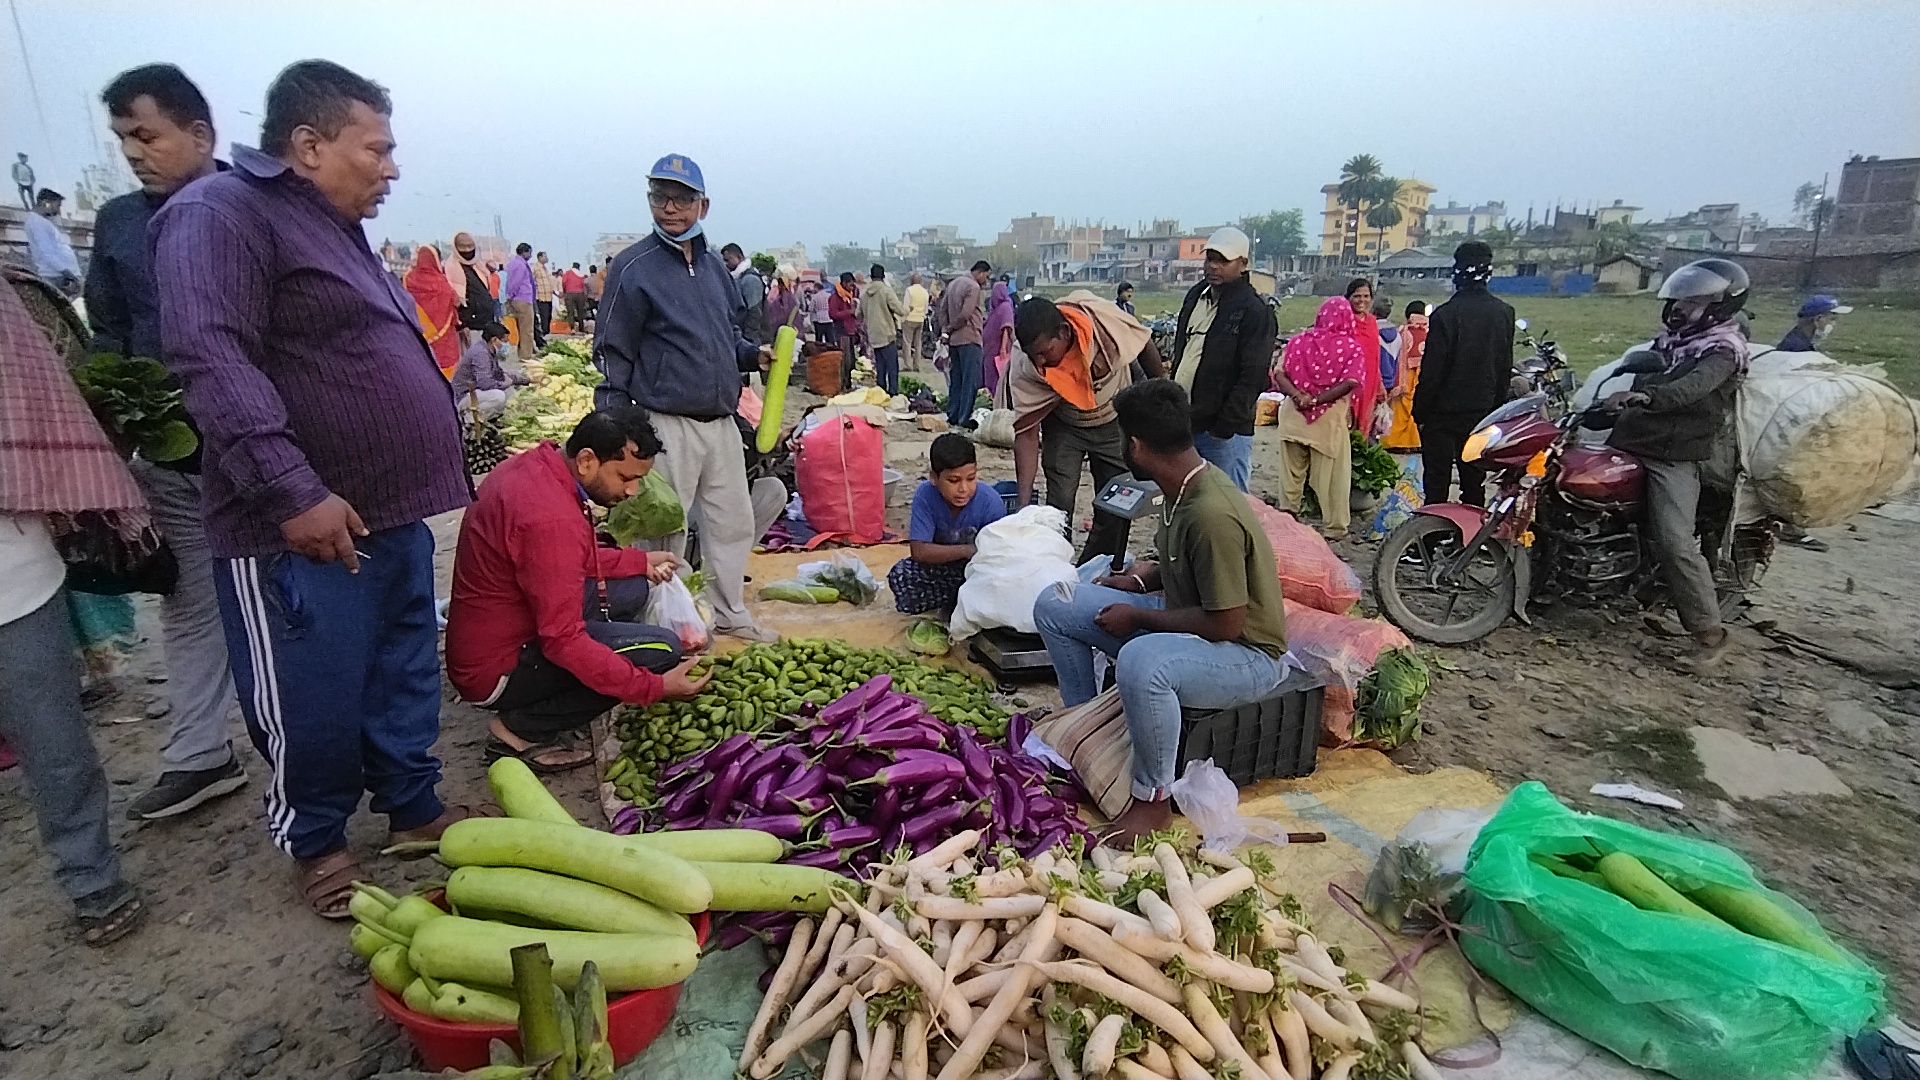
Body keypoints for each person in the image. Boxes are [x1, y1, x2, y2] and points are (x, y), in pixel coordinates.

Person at [151, 59, 474, 917]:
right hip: (296, 523)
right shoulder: (220, 214)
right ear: (307, 143)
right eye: (378, 150)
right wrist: (292, 490)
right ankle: (318, 839)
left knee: (404, 669)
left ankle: (412, 808)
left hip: (389, 512)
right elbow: (212, 357)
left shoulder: (330, 225)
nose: (392, 169)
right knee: (313, 689)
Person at [86, 63, 250, 822]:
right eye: (124, 139)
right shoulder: (120, 223)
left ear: (199, 133)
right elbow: (110, 333)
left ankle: (301, 750)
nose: (134, 152)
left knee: (275, 605)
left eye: (146, 135)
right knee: (187, 605)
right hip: (170, 457)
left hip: (252, 455)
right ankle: (199, 755)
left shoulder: (251, 206)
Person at [1031, 379, 1292, 844]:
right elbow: (1170, 563)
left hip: (1246, 655)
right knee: (1056, 605)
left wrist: (1138, 617)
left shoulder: (1211, 512)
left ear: (1135, 446)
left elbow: (1227, 623)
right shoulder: (1179, 485)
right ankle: (1085, 731)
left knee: (1141, 662)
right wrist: (1134, 581)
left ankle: (1152, 800)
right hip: (1192, 626)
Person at [1, 279, 150, 944]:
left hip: (11, 570)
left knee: (52, 740)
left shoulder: (10, 305)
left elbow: (47, 404)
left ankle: (90, 879)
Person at [446, 407, 710, 771]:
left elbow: (567, 558)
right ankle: (519, 732)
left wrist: (638, 563)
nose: (632, 491)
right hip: (496, 669)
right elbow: (562, 640)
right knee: (660, 649)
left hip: (494, 632)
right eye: (624, 478)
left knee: (634, 586)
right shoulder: (550, 517)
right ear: (587, 460)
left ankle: (541, 706)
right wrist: (653, 688)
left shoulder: (538, 468)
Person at [593, 152, 776, 643]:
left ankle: (729, 610)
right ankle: (665, 621)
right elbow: (612, 351)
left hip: (719, 421)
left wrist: (750, 356)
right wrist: (616, 430)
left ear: (703, 205)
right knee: (667, 527)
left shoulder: (716, 268)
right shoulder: (634, 267)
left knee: (731, 520)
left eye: (681, 199)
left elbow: (725, 335)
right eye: (660, 197)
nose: (670, 208)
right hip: (665, 421)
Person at [1604, 259, 1749, 672]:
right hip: (1633, 439)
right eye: (1679, 299)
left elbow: (1691, 389)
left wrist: (1648, 399)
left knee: (1675, 541)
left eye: (1694, 300)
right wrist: (1607, 406)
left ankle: (1710, 634)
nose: (1680, 308)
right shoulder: (1668, 343)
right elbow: (1636, 381)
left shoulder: (1723, 351)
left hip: (1675, 453)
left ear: (1721, 305)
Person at [1007, 292, 1166, 564]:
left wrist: (1162, 387)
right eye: (1035, 356)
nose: (1041, 362)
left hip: (1112, 421)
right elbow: (1027, 432)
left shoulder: (1103, 325)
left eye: (1046, 352)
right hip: (1064, 426)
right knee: (1059, 504)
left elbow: (1142, 340)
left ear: (1065, 332)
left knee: (1115, 503)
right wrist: (1023, 504)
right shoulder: (1025, 365)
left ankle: (1096, 566)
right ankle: (1055, 564)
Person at [1167, 227, 1276, 492]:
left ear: (1243, 264)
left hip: (1224, 430)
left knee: (1228, 500)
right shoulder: (1196, 296)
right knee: (1190, 496)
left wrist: (1224, 426)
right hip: (1189, 420)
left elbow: (1252, 376)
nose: (1213, 267)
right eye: (1210, 259)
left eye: (1222, 261)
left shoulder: (1254, 311)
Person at [1414, 242, 1514, 507]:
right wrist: (1496, 412)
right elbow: (1504, 369)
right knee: (1474, 484)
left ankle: (1431, 541)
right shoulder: (1504, 313)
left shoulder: (1446, 315)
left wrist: (1420, 413)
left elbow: (1432, 372)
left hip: (1442, 417)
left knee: (1436, 485)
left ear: (1456, 272)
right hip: (1482, 414)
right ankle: (1470, 542)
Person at [1274, 298, 1368, 539]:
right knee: (1331, 480)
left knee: (1291, 476)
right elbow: (1351, 382)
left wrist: (1298, 396)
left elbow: (1279, 373)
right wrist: (1317, 401)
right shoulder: (1352, 347)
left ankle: (1287, 519)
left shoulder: (1297, 342)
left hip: (1293, 416)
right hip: (1328, 421)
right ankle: (1334, 529)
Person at [887, 433, 1007, 615]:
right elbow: (919, 551)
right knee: (902, 575)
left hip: (980, 571)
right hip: (943, 568)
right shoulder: (925, 495)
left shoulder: (990, 501)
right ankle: (954, 601)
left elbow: (1000, 556)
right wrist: (966, 550)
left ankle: (961, 602)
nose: (963, 489)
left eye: (971, 478)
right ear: (934, 478)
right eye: (953, 481)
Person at [938, 260, 991, 427]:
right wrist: (952, 327)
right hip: (970, 338)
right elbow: (966, 314)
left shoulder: (954, 284)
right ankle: (963, 418)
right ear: (980, 272)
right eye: (986, 276)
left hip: (954, 341)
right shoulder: (973, 287)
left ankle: (952, 414)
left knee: (957, 380)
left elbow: (942, 310)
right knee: (970, 381)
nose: (986, 281)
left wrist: (946, 331)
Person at [450, 321, 529, 423]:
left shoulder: (488, 350)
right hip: (464, 396)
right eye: (505, 341)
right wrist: (506, 384)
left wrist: (526, 380)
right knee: (499, 397)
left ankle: (486, 419)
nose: (507, 345)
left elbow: (500, 374)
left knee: (509, 393)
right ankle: (469, 419)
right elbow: (485, 383)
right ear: (494, 339)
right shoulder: (481, 354)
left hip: (475, 391)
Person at [404, 244, 463, 378]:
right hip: (444, 337)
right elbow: (454, 301)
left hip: (418, 332)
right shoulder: (440, 281)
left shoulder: (408, 279)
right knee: (446, 365)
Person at [1383, 300, 1429, 452]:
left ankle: (1396, 441)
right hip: (1422, 376)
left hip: (1406, 376)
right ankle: (1413, 442)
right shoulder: (1430, 331)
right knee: (1414, 409)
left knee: (1401, 409)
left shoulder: (1403, 331)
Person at [1342, 277, 1385, 439]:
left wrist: (1379, 383)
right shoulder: (1344, 322)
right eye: (1357, 296)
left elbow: (1374, 355)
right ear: (1349, 298)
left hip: (1370, 381)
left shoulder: (1372, 322)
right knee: (1347, 423)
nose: (1362, 300)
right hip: (1349, 383)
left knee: (1364, 427)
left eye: (1366, 296)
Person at [859, 263, 909, 394]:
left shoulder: (864, 293)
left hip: (873, 335)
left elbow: (858, 314)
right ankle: (893, 393)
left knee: (880, 367)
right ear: (883, 276)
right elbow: (900, 310)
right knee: (892, 367)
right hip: (887, 334)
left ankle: (881, 392)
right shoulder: (886, 291)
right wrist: (907, 310)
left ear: (871, 276)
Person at [23, 188, 82, 295]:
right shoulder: (36, 223)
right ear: (46, 203)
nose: (58, 210)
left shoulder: (42, 221)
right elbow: (47, 252)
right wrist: (67, 273)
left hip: (60, 275)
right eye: (57, 205)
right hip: (56, 275)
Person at [447, 231, 495, 341]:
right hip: (470, 323)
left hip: (486, 319)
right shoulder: (451, 267)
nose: (467, 250)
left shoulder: (478, 264)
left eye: (470, 246)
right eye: (463, 247)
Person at [721, 242, 767, 345]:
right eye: (723, 260)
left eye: (728, 260)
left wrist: (748, 340)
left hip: (751, 339)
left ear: (739, 257)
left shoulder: (750, 280)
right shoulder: (738, 278)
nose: (725, 264)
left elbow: (755, 313)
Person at [1778, 294, 1851, 353]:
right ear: (1817, 319)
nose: (1833, 324)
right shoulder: (1798, 348)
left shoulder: (1798, 338)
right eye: (1832, 319)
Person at [981, 279, 1015, 399]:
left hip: (998, 350)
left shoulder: (1006, 307)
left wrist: (1003, 348)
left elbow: (1006, 327)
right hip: (990, 349)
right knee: (989, 376)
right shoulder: (996, 308)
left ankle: (997, 400)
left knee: (997, 377)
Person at [504, 242, 538, 360]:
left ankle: (524, 353)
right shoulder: (520, 265)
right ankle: (525, 356)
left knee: (522, 328)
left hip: (518, 298)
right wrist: (511, 295)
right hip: (522, 298)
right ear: (524, 252)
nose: (530, 255)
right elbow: (516, 283)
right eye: (529, 252)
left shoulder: (513, 263)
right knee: (527, 329)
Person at [829, 271, 862, 365]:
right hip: (842, 331)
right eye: (850, 285)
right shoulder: (835, 297)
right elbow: (832, 314)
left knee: (853, 358)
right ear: (844, 283)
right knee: (844, 359)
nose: (852, 288)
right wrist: (850, 312)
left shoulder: (852, 295)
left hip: (853, 331)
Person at [902, 271, 930, 371]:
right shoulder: (925, 292)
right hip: (920, 319)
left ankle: (907, 365)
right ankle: (917, 365)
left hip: (910, 318)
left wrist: (903, 317)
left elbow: (906, 305)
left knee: (907, 342)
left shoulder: (909, 290)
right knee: (918, 343)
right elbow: (926, 307)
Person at [764, 269, 798, 342]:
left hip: (788, 329)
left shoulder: (790, 298)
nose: (780, 286)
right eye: (779, 284)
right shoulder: (777, 296)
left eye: (782, 284)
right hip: (776, 328)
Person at [532, 250, 556, 345]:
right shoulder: (535, 268)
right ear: (540, 257)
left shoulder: (545, 269)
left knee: (549, 316)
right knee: (544, 316)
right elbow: (532, 281)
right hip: (541, 296)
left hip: (548, 296)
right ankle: (543, 335)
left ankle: (546, 333)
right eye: (545, 256)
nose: (547, 258)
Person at [561, 261, 588, 331]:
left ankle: (572, 328)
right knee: (580, 312)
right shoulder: (581, 274)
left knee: (571, 311)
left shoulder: (567, 273)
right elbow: (584, 285)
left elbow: (564, 282)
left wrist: (565, 292)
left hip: (570, 293)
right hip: (580, 294)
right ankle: (581, 328)